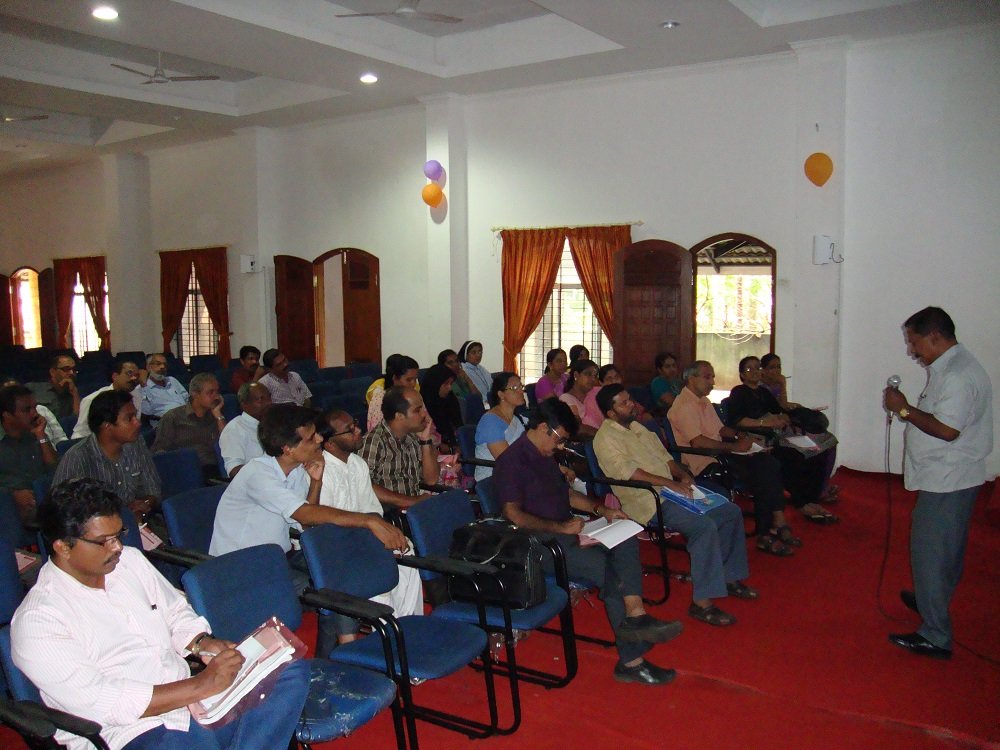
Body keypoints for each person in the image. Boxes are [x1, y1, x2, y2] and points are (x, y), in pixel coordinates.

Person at [11, 477, 309, 750]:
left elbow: (176, 612)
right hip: (129, 732)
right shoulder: (39, 620)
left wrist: (202, 643)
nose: (117, 547)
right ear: (63, 547)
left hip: (192, 701)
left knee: (287, 671)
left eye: (119, 535)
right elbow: (105, 703)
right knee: (189, 742)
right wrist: (201, 685)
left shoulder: (129, 562)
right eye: (104, 541)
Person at [493, 398, 683, 685]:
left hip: (567, 531)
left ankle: (636, 614)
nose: (561, 447)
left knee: (626, 533)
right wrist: (561, 527)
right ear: (543, 428)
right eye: (559, 439)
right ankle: (631, 661)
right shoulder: (512, 461)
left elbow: (568, 495)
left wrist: (601, 509)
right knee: (610, 572)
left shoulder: (545, 455)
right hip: (539, 544)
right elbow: (513, 514)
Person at [210, 404, 408, 656]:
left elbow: (306, 524)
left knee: (337, 570)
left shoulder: (294, 471)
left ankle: (341, 654)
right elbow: (304, 514)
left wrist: (315, 482)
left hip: (276, 560)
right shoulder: (257, 474)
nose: (319, 440)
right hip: (240, 570)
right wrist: (369, 521)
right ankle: (346, 652)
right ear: (288, 448)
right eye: (311, 437)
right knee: (333, 587)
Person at [594, 384, 756, 626]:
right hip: (648, 500)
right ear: (611, 413)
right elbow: (630, 473)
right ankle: (701, 603)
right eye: (624, 403)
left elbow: (665, 457)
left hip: (671, 490)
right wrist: (671, 483)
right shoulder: (605, 439)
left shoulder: (637, 427)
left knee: (729, 512)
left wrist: (682, 475)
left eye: (630, 399)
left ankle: (729, 577)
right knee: (703, 527)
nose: (631, 404)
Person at [883, 307, 993, 659]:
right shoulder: (951, 367)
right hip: (952, 476)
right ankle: (932, 600)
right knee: (946, 550)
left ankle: (935, 635)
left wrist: (903, 409)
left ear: (934, 336)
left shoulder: (958, 375)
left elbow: (947, 430)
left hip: (948, 477)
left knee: (930, 552)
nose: (911, 350)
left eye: (914, 342)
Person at [668, 361, 799, 557]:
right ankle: (771, 527)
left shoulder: (703, 401)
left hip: (720, 454)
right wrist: (735, 447)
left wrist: (740, 436)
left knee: (768, 462)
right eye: (707, 377)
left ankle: (772, 525)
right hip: (706, 462)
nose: (712, 382)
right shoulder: (684, 406)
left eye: (713, 377)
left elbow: (720, 429)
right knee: (763, 469)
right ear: (691, 379)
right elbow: (698, 442)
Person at [316, 408, 424, 621]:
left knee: (405, 549)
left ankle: (410, 620)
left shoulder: (357, 464)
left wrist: (385, 534)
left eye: (355, 424)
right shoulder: (321, 471)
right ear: (330, 444)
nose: (358, 431)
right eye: (349, 430)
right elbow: (324, 527)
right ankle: (389, 629)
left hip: (364, 534)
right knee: (378, 567)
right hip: (337, 544)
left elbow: (372, 510)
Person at [725, 356, 837, 524]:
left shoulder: (763, 392)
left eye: (757, 367)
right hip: (757, 438)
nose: (755, 371)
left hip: (775, 434)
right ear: (742, 374)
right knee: (792, 457)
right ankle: (802, 503)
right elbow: (737, 421)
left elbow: (779, 410)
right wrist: (766, 423)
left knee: (816, 452)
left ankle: (811, 499)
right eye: (749, 369)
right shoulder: (739, 392)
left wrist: (784, 417)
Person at [54, 390, 161, 523]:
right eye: (129, 418)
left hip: (139, 521)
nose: (138, 423)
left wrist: (143, 505)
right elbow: (61, 511)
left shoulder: (136, 443)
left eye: (135, 416)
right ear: (107, 426)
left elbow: (153, 489)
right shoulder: (77, 457)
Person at [761, 353, 839, 503]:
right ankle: (815, 492)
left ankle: (822, 487)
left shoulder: (775, 384)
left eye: (779, 367)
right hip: (775, 430)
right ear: (763, 370)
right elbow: (779, 408)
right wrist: (783, 385)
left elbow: (783, 406)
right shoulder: (760, 388)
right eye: (772, 367)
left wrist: (795, 406)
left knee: (829, 440)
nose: (777, 371)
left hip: (787, 425)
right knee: (816, 443)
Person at [359, 387, 439, 509]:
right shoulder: (373, 442)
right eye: (418, 410)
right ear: (399, 416)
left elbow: (431, 480)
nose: (424, 414)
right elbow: (365, 486)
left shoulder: (413, 436)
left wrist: (426, 440)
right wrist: (411, 501)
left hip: (414, 508)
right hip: (390, 512)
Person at [152, 373, 226, 482]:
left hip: (216, 467)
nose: (216, 397)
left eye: (217, 392)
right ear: (195, 394)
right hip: (186, 470)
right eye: (210, 392)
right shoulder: (174, 417)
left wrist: (219, 416)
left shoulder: (216, 415)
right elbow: (159, 451)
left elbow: (228, 443)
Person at [0, 384, 58, 523]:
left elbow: (55, 470)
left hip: (43, 503)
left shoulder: (34, 436)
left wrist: (41, 435)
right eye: (27, 410)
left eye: (35, 408)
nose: (35, 414)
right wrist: (10, 494)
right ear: (7, 415)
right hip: (10, 512)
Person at [474, 372, 526, 481]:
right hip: (493, 478)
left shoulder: (516, 419)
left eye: (521, 386)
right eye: (515, 388)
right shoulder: (490, 422)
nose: (521, 391)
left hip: (517, 471)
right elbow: (507, 461)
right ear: (501, 394)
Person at [73, 359, 143, 439]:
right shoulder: (93, 399)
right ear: (115, 376)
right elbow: (80, 433)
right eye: (129, 373)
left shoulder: (136, 396)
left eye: (137, 375)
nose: (134, 378)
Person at [218, 382, 271, 478]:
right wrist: (268, 469)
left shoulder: (274, 424)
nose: (268, 403)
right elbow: (234, 471)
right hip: (257, 481)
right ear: (244, 405)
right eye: (261, 399)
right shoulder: (234, 429)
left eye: (269, 398)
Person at [365, 354, 419, 432]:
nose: (414, 384)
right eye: (409, 380)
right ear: (395, 378)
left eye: (415, 379)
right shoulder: (380, 399)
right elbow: (378, 431)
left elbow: (425, 420)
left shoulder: (413, 394)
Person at [420, 363, 462, 449]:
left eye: (451, 384)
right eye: (446, 384)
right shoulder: (421, 405)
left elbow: (459, 425)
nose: (449, 388)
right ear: (435, 383)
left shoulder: (450, 398)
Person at [558, 358, 601, 439]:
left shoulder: (596, 393)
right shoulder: (566, 399)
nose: (593, 379)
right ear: (576, 375)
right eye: (588, 374)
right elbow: (577, 428)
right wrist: (603, 435)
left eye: (595, 376)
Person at [27, 353, 80, 418]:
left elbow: (78, 420)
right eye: (66, 369)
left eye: (74, 369)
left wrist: (74, 392)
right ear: (52, 372)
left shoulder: (75, 394)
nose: (71, 373)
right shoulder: (33, 388)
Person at [139, 353, 189, 422]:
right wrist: (143, 387)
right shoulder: (144, 387)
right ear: (148, 367)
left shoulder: (172, 380)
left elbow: (187, 398)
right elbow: (146, 412)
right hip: (166, 422)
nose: (163, 367)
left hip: (187, 417)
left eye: (165, 364)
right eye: (158, 364)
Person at [457, 341, 492, 405]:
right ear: (466, 355)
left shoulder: (481, 368)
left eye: (480, 352)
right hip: (477, 403)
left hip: (490, 401)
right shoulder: (462, 370)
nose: (478, 355)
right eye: (473, 352)